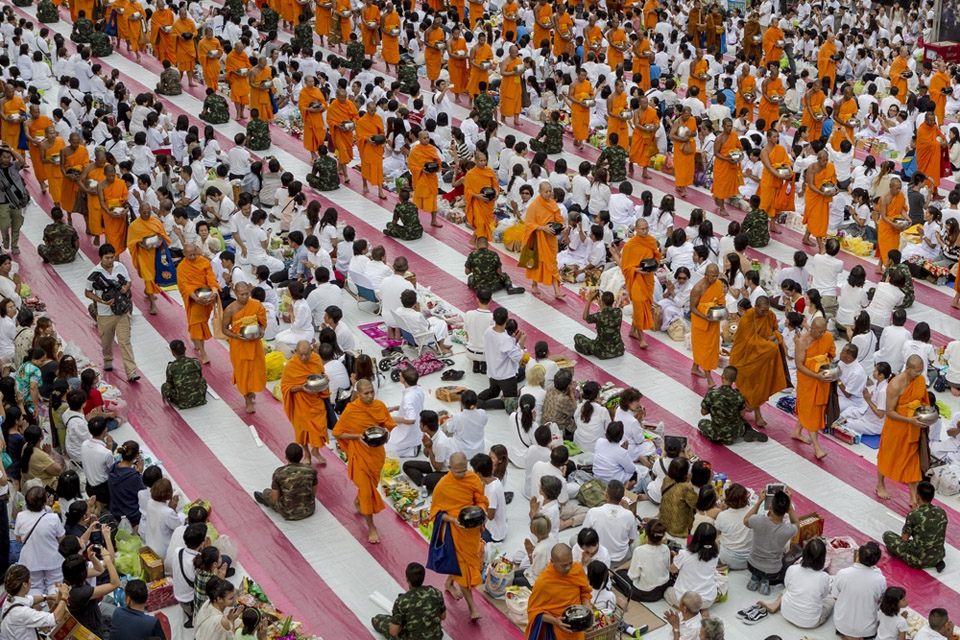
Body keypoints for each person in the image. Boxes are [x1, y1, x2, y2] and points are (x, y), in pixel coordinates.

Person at [332, 379, 396, 543]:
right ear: (358, 394)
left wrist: (387, 431)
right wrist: (356, 436)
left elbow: (386, 423)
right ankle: (371, 527)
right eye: (366, 393)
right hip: (359, 455)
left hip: (376, 454)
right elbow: (338, 433)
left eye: (372, 392)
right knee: (367, 493)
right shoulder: (351, 410)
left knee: (370, 486)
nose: (370, 396)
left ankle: (357, 500)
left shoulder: (379, 405)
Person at [428, 452, 488, 621]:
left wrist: (481, 511)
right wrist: (453, 520)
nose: (462, 475)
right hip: (454, 531)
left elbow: (481, 499)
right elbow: (436, 513)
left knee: (466, 562)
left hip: (471, 531)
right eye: (458, 472)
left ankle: (448, 583)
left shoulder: (473, 479)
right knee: (462, 569)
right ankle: (472, 607)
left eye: (464, 471)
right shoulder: (442, 486)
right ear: (450, 468)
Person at [877, 355, 930, 508]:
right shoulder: (896, 385)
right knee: (887, 454)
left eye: (921, 371)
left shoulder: (919, 381)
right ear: (907, 368)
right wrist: (909, 420)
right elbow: (890, 412)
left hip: (913, 426)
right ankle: (880, 483)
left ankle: (913, 497)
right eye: (916, 371)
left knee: (912, 460)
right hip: (897, 425)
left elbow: (922, 401)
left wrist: (925, 416)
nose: (919, 375)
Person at [85, 244, 140, 382]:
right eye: (107, 257)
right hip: (104, 313)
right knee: (106, 341)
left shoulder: (120, 267)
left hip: (122, 311)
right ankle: (108, 360)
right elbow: (87, 292)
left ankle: (131, 371)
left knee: (124, 342)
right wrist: (101, 301)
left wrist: (124, 288)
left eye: (112, 257)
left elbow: (129, 282)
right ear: (101, 258)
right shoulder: (94, 273)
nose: (110, 260)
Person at [755, 538, 834, 628]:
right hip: (809, 622)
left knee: (790, 588)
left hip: (786, 612)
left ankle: (775, 605)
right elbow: (824, 596)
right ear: (823, 558)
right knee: (831, 598)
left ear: (804, 553)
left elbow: (787, 585)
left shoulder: (792, 569)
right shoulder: (823, 577)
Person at [525, 543, 592, 639]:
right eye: (564, 565)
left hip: (577, 628)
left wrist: (587, 605)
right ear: (552, 561)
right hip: (557, 631)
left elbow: (585, 591)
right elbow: (533, 611)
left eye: (570, 563)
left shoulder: (577, 569)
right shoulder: (543, 582)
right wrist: (555, 621)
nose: (568, 568)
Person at [279, 341, 329, 466]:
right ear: (296, 352)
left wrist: (324, 380)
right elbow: (286, 387)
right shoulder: (291, 365)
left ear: (311, 352)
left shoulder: (316, 359)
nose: (303, 357)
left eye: (306, 354)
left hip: (315, 400)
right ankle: (306, 454)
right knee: (301, 430)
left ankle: (315, 450)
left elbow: (321, 374)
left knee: (320, 426)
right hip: (300, 402)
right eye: (300, 354)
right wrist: (301, 388)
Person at [793, 317, 836, 460]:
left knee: (812, 410)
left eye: (824, 331)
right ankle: (817, 448)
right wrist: (816, 376)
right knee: (811, 412)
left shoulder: (828, 336)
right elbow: (799, 365)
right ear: (811, 329)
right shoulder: (802, 342)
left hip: (823, 379)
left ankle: (797, 431)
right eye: (819, 332)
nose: (822, 334)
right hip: (808, 381)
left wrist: (830, 368)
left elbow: (831, 355)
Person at [743, 486, 799, 595]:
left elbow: (745, 520)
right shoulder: (788, 529)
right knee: (789, 566)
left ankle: (755, 578)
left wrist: (759, 502)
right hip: (772, 571)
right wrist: (789, 503)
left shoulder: (758, 520)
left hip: (751, 565)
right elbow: (797, 524)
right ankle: (766, 581)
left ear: (770, 507)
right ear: (787, 511)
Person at [221, 282, 267, 414]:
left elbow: (262, 323)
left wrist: (262, 331)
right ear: (235, 293)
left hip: (254, 343)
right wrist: (236, 336)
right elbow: (224, 329)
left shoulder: (256, 304)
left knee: (254, 371)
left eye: (247, 293)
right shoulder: (230, 309)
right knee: (243, 374)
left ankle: (250, 390)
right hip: (239, 345)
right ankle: (247, 401)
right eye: (242, 294)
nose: (245, 297)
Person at [882, 480, 947, 572]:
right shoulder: (941, 511)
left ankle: (911, 557)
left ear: (918, 497)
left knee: (887, 535)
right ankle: (935, 561)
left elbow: (904, 538)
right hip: (938, 554)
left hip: (919, 559)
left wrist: (914, 513)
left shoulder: (914, 515)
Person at [371, 562, 446, 640]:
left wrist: (405, 622)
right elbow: (443, 616)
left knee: (378, 619)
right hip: (436, 637)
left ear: (407, 579)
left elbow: (393, 632)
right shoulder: (435, 592)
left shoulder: (403, 601)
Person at [833, 542, 887, 640]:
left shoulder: (842, 574)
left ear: (858, 555)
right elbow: (880, 602)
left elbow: (835, 597)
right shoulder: (880, 580)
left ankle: (848, 636)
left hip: (842, 627)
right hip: (867, 631)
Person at [700, 366, 767, 444]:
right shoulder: (739, 396)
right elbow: (742, 415)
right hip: (735, 434)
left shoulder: (712, 394)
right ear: (735, 380)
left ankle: (719, 437)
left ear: (722, 376)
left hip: (716, 434)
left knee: (702, 422)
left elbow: (703, 412)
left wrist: (715, 408)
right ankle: (748, 430)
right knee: (740, 422)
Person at [176, 243, 220, 364]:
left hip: (206, 296)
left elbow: (210, 278)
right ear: (184, 254)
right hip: (194, 299)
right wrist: (196, 298)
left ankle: (197, 340)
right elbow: (185, 286)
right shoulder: (182, 267)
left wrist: (215, 292)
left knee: (203, 322)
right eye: (189, 255)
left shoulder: (204, 262)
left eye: (194, 254)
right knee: (196, 324)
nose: (192, 257)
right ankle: (203, 353)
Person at [621, 219, 661, 348]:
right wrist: (635, 270)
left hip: (648, 278)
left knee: (645, 305)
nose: (645, 231)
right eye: (642, 229)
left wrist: (654, 265)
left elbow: (657, 257)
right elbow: (625, 267)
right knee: (639, 305)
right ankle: (641, 337)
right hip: (636, 279)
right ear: (636, 229)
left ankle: (633, 330)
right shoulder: (629, 245)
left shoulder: (651, 241)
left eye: (646, 228)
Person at [253, 443, 319, 521]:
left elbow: (275, 497)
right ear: (301, 456)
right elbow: (313, 492)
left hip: (288, 513)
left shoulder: (279, 473)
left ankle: (266, 500)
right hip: (309, 509)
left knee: (266, 492)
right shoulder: (311, 470)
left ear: (286, 457)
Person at [0, 565, 70, 638]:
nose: (31, 582)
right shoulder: (23, 613)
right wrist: (64, 595)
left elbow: (31, 599)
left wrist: (49, 597)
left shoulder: (9, 598)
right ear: (24, 584)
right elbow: (55, 619)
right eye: (30, 579)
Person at [127, 204, 172, 315]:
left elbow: (164, 236)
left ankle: (148, 291)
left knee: (154, 275)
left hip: (155, 253)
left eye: (148, 212)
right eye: (144, 213)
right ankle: (152, 303)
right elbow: (130, 242)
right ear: (139, 211)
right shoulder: (134, 226)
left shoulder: (155, 222)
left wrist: (159, 241)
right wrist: (140, 243)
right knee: (148, 277)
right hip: (143, 255)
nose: (146, 215)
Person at [522, 182, 565, 298]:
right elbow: (529, 224)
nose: (548, 193)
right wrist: (542, 228)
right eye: (546, 191)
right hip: (538, 238)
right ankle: (534, 284)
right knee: (538, 262)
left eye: (550, 191)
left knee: (552, 263)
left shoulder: (553, 204)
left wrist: (561, 227)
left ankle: (557, 290)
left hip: (550, 239)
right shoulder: (534, 205)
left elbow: (559, 220)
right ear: (540, 192)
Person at [666, 523, 720, 613]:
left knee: (667, 592)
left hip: (686, 600)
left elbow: (673, 569)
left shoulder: (684, 554)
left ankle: (690, 611)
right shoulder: (716, 554)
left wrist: (675, 558)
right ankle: (701, 609)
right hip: (708, 599)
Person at [582, 480, 637, 566]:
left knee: (574, 540)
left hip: (598, 558)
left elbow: (583, 535)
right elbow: (632, 539)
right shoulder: (629, 515)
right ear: (622, 496)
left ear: (606, 495)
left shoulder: (593, 512)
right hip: (621, 558)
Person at [616, 518, 672, 602]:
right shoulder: (666, 548)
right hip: (662, 589)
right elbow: (667, 569)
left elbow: (633, 576)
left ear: (646, 534)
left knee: (618, 573)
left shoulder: (640, 551)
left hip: (644, 593)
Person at [479, 307, 525, 404]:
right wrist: (521, 345)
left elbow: (504, 348)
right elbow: (516, 357)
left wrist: (514, 340)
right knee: (511, 402)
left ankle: (474, 399)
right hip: (506, 376)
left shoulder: (488, 331)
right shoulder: (505, 339)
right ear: (507, 319)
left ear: (493, 319)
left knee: (493, 391)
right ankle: (483, 405)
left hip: (493, 372)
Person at [689, 264, 725, 386]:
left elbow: (720, 301)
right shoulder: (698, 288)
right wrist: (704, 316)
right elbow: (692, 308)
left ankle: (695, 367)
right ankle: (710, 379)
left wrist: (720, 311)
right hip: (701, 323)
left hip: (713, 321)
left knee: (708, 350)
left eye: (716, 276)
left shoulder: (718, 284)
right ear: (705, 275)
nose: (714, 279)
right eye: (712, 276)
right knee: (704, 351)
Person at [402, 410, 454, 493]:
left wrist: (429, 448)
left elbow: (438, 468)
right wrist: (427, 447)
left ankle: (427, 482)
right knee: (406, 465)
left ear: (425, 427)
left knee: (428, 480)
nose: (419, 424)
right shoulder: (429, 434)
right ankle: (425, 482)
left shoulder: (440, 443)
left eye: (420, 422)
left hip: (444, 471)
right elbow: (427, 455)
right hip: (433, 464)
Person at [407, 130, 443, 228]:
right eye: (424, 138)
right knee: (417, 200)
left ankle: (434, 220)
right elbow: (411, 165)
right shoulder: (415, 151)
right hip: (421, 179)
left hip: (431, 178)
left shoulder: (432, 148)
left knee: (433, 200)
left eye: (428, 137)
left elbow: (438, 161)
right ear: (419, 139)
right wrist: (421, 169)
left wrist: (436, 167)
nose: (427, 140)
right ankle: (415, 219)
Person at [574, 290, 624, 359]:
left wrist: (589, 300)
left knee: (577, 337)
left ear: (602, 303)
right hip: (619, 350)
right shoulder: (619, 312)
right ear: (613, 301)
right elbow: (608, 314)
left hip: (603, 352)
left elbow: (585, 317)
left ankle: (587, 350)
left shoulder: (599, 316)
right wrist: (602, 306)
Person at [161, 339, 207, 409]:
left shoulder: (171, 366)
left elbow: (170, 385)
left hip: (183, 402)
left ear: (173, 353)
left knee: (164, 387)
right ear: (185, 349)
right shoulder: (195, 362)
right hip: (200, 398)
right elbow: (200, 378)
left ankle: (172, 400)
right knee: (203, 380)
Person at [0, 144, 27, 255]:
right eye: (4, 157)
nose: (7, 159)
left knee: (17, 225)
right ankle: (5, 238)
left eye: (8, 157)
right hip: (3, 201)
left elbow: (22, 161)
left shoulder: (14, 166)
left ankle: (14, 245)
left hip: (17, 200)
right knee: (4, 224)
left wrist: (11, 150)